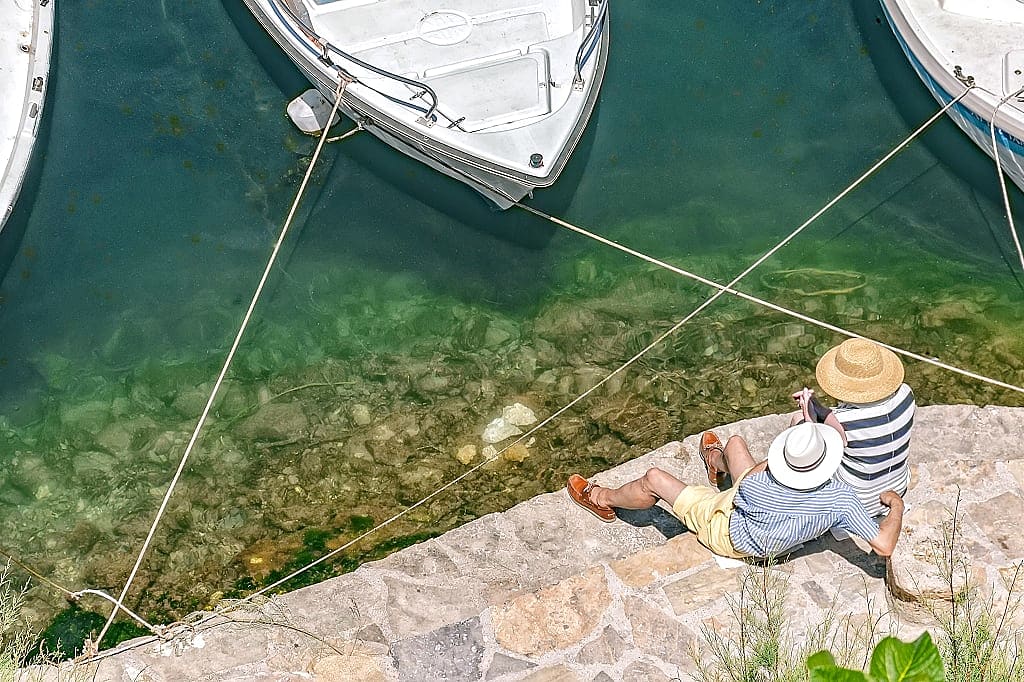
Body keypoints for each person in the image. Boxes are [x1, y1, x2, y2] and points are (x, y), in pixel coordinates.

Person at [565, 422, 905, 560]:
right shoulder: (841, 498)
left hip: (728, 533)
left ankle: (601, 498)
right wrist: (896, 505)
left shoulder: (758, 485)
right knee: (737, 443)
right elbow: (885, 545)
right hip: (776, 530)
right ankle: (713, 459)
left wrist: (788, 440)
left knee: (653, 478)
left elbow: (762, 470)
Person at [792, 338, 915, 517]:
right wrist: (817, 406)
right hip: (897, 488)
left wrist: (808, 415)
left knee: (798, 422)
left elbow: (813, 451)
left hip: (858, 502)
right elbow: (862, 423)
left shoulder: (843, 421)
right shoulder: (906, 393)